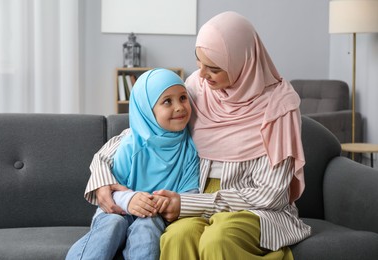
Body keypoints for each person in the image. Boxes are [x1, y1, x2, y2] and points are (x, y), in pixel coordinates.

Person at [87, 11, 312, 260]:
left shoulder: (279, 107)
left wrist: (188, 204)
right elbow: (143, 132)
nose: (202, 74)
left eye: (214, 68)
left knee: (219, 239)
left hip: (256, 211)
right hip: (195, 204)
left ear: (242, 62)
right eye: (199, 63)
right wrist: (101, 178)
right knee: (176, 237)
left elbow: (270, 194)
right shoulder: (196, 88)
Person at [66, 68, 199, 260]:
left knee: (148, 225)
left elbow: (190, 193)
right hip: (117, 210)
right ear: (146, 109)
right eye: (167, 101)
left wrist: (167, 202)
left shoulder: (189, 149)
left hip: (155, 215)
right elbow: (111, 190)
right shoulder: (131, 145)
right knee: (113, 224)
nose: (179, 107)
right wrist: (130, 200)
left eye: (183, 98)